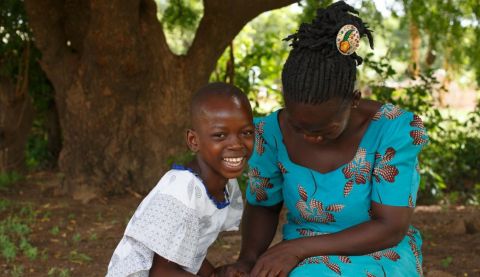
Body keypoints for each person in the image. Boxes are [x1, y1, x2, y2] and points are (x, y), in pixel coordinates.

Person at [217, 2, 429, 277]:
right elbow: (263, 206)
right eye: (298, 126)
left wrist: (297, 249)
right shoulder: (270, 134)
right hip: (299, 255)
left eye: (325, 129)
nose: (311, 137)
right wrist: (248, 260)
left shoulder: (392, 131)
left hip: (379, 252)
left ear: (353, 100)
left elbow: (390, 227)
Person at [106, 82, 255, 277]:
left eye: (246, 133)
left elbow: (186, 250)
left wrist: (215, 273)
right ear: (194, 141)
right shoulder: (181, 192)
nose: (236, 144)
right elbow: (161, 272)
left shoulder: (227, 185)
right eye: (220, 135)